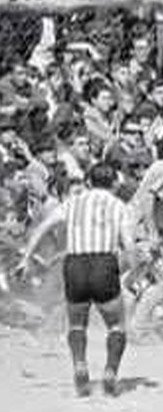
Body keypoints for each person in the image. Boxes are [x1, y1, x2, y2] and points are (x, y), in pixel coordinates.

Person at [15, 163, 135, 397]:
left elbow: (43, 227)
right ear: (114, 184)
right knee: (116, 325)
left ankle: (80, 364)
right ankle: (110, 371)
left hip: (75, 265)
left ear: (89, 182)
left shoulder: (72, 202)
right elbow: (128, 244)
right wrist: (129, 270)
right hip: (104, 263)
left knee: (77, 324)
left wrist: (26, 258)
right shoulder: (119, 206)